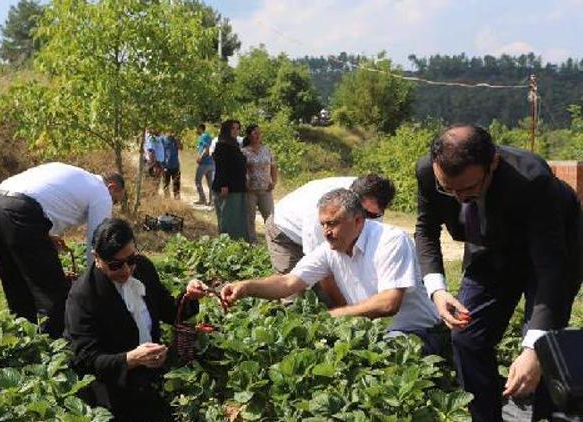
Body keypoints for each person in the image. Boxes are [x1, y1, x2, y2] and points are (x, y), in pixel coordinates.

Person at [414, 124, 582, 421]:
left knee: (546, 347)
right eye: (447, 189)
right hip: (490, 244)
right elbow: (426, 229)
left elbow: (550, 268)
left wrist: (534, 348)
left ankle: (544, 414)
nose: (457, 198)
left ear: (493, 162)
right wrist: (437, 289)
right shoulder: (428, 171)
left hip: (555, 247)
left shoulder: (532, 179)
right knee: (466, 336)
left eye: (467, 189)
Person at [221, 188, 442, 353]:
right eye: (323, 224)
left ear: (357, 221)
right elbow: (288, 283)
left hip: (415, 332)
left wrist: (332, 316)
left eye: (333, 223)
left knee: (380, 355)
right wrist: (247, 286)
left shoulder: (391, 241)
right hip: (373, 332)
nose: (326, 232)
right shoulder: (330, 250)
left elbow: (388, 303)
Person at [64, 218, 208, 421]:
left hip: (151, 378)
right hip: (112, 390)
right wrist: (130, 359)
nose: (126, 270)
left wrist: (189, 297)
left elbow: (170, 312)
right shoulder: (84, 295)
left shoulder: (143, 269)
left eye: (131, 260)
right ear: (97, 258)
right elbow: (85, 359)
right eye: (115, 265)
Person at [0, 163, 125, 338]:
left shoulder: (77, 176)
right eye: (115, 200)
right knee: (52, 293)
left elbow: (37, 198)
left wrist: (44, 235)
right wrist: (94, 284)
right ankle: (54, 348)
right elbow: (98, 243)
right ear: (112, 187)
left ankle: (24, 343)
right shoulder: (101, 192)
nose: (112, 204)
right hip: (20, 213)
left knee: (16, 285)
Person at [267, 174, 396, 306]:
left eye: (372, 215)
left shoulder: (372, 207)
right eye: (363, 212)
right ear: (353, 201)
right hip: (285, 231)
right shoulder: (322, 214)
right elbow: (324, 269)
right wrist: (345, 309)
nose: (365, 218)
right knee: (293, 297)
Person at [212, 119, 250, 241]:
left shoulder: (235, 144)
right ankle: (227, 243)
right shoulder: (222, 144)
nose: (235, 131)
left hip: (237, 187)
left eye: (238, 128)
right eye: (233, 128)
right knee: (228, 219)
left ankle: (238, 244)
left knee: (237, 219)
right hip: (227, 188)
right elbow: (221, 166)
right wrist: (224, 185)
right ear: (226, 129)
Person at [242, 124, 278, 243]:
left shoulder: (266, 150)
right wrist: (246, 184)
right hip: (250, 191)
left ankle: (273, 242)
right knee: (249, 218)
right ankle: (252, 243)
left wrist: (274, 181)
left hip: (265, 190)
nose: (258, 136)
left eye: (259, 133)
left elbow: (273, 166)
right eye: (255, 133)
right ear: (249, 135)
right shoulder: (244, 152)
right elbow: (241, 170)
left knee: (270, 217)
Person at [194, 123, 215, 206]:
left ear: (200, 128)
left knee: (197, 180)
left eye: (197, 128)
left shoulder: (204, 136)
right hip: (211, 163)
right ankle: (211, 201)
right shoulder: (207, 137)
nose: (196, 130)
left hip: (205, 163)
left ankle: (202, 199)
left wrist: (200, 158)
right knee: (210, 183)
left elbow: (206, 148)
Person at [161, 131, 182, 199]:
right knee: (166, 184)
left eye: (172, 130)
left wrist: (177, 140)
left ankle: (177, 199)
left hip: (175, 165)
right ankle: (167, 201)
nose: (171, 132)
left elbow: (181, 148)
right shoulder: (163, 139)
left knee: (176, 184)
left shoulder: (176, 139)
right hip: (166, 166)